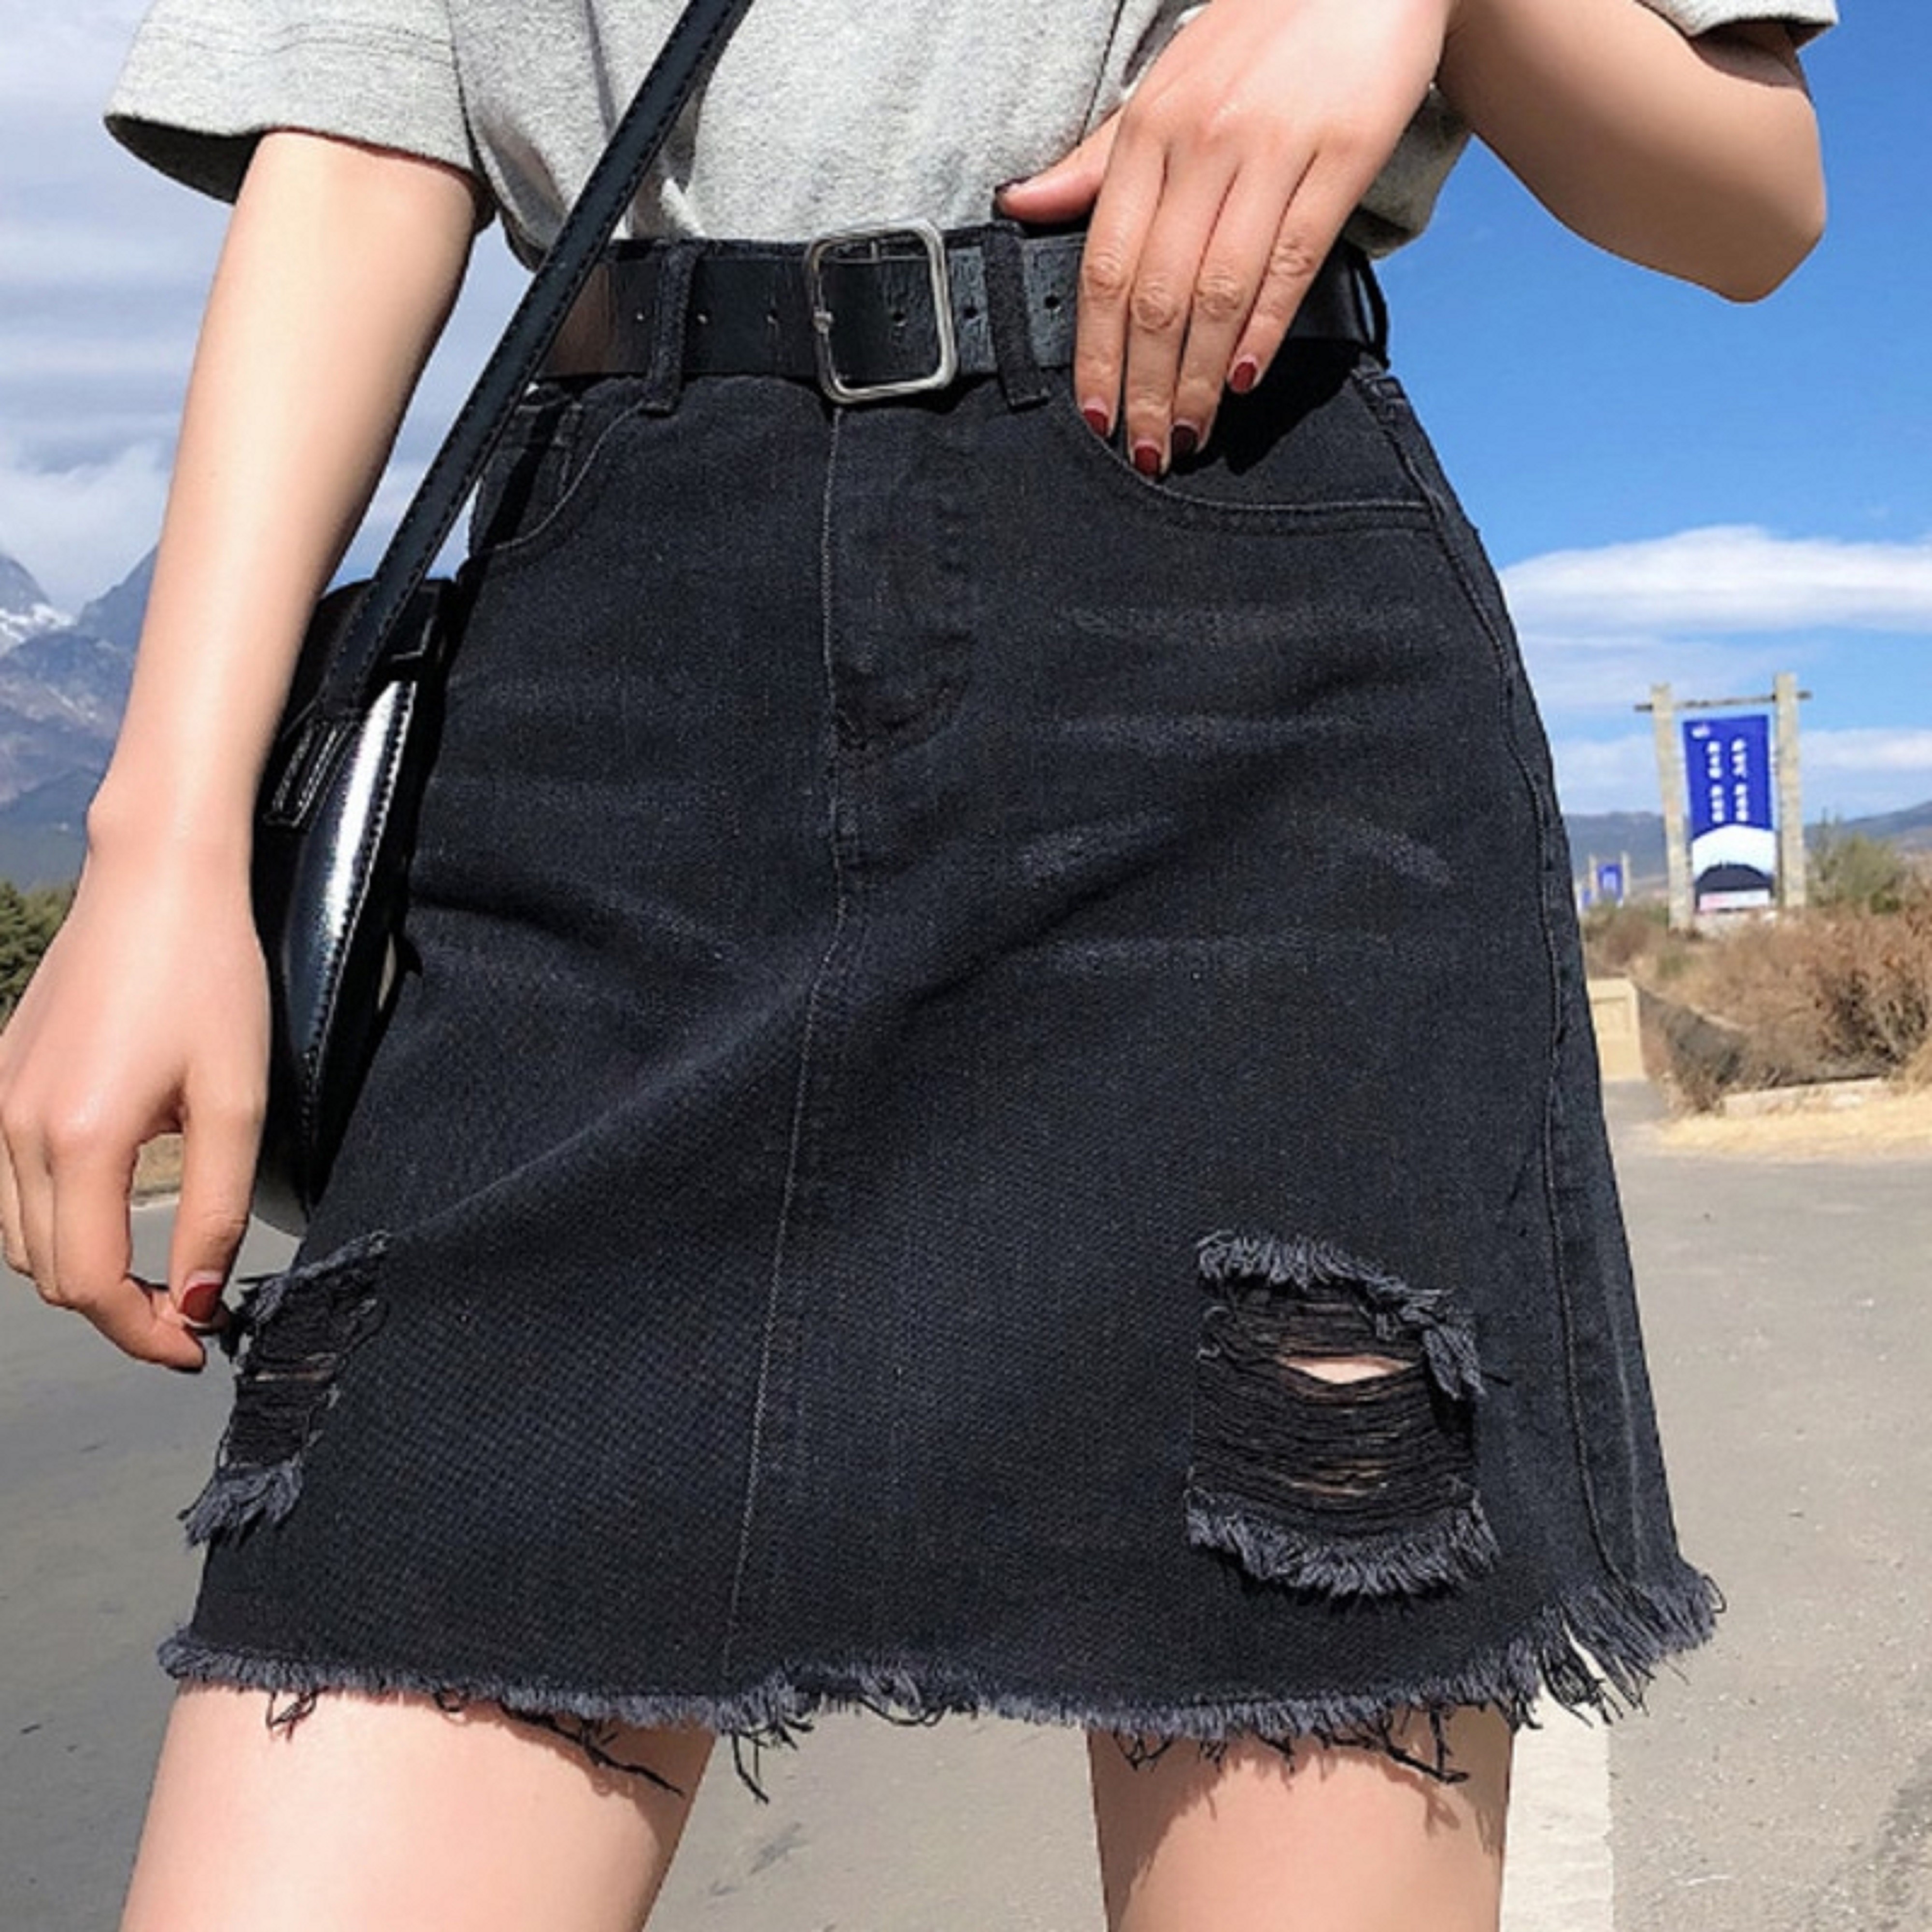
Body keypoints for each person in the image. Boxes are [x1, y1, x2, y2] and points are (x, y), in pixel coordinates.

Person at [0, 1, 1828, 1926]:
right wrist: (162, 842)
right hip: (613, 701)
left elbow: (1750, 195)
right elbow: (356, 144)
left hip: (1226, 659)